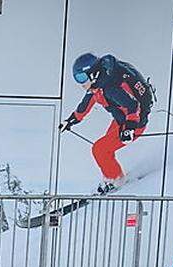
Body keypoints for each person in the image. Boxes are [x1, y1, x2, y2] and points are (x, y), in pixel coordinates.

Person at [59, 52, 155, 194]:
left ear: (92, 74)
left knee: (99, 149)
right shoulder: (100, 82)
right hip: (121, 119)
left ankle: (115, 179)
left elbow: (133, 106)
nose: (80, 83)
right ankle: (112, 175)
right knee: (104, 149)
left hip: (134, 123)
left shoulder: (110, 88)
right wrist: (71, 120)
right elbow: (86, 103)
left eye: (81, 78)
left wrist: (129, 128)